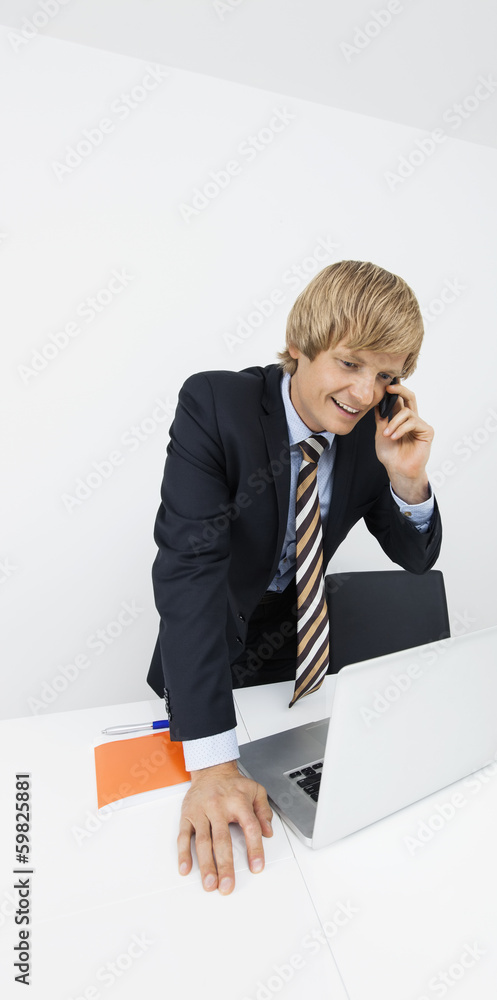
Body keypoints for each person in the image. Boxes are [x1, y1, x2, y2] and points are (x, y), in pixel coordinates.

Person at [147, 260, 442, 895]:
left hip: (302, 666)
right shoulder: (214, 405)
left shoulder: (370, 438)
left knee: (319, 852)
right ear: (301, 344)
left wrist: (408, 477)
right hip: (208, 661)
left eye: (386, 377)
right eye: (351, 363)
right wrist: (214, 763)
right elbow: (189, 571)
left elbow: (417, 558)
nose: (366, 394)